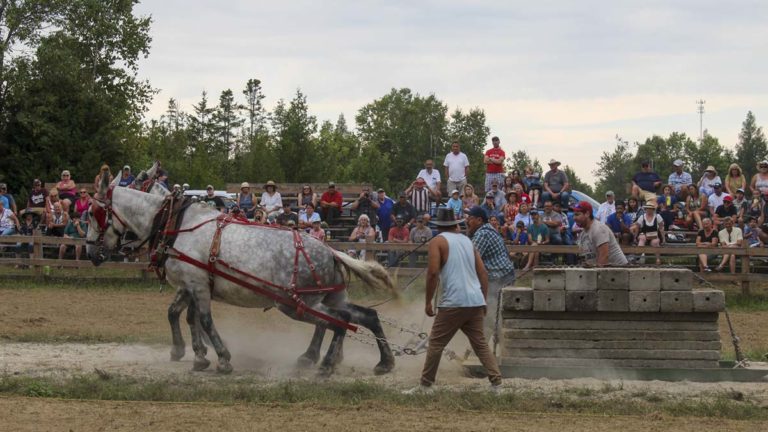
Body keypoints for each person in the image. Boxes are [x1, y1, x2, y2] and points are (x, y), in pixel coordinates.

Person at [406, 208, 501, 393]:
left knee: (436, 344)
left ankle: (425, 385)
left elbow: (433, 273)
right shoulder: (467, 241)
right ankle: (496, 383)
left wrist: (428, 302)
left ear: (438, 226)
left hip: (454, 301)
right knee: (480, 343)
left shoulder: (437, 242)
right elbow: (483, 272)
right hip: (474, 300)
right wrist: (483, 298)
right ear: (455, 224)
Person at [466, 205, 516, 340]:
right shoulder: (489, 230)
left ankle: (490, 343)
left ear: (479, 220)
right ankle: (490, 343)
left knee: (489, 312)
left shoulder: (482, 233)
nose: (467, 221)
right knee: (494, 312)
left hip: (498, 277)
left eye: (470, 218)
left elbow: (470, 260)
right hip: (503, 275)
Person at [573, 201, 628, 267]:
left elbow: (604, 257)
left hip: (620, 271)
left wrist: (597, 275)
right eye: (574, 215)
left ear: (587, 214)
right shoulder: (583, 234)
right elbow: (587, 258)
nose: (574, 218)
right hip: (606, 271)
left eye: (577, 214)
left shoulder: (599, 229)